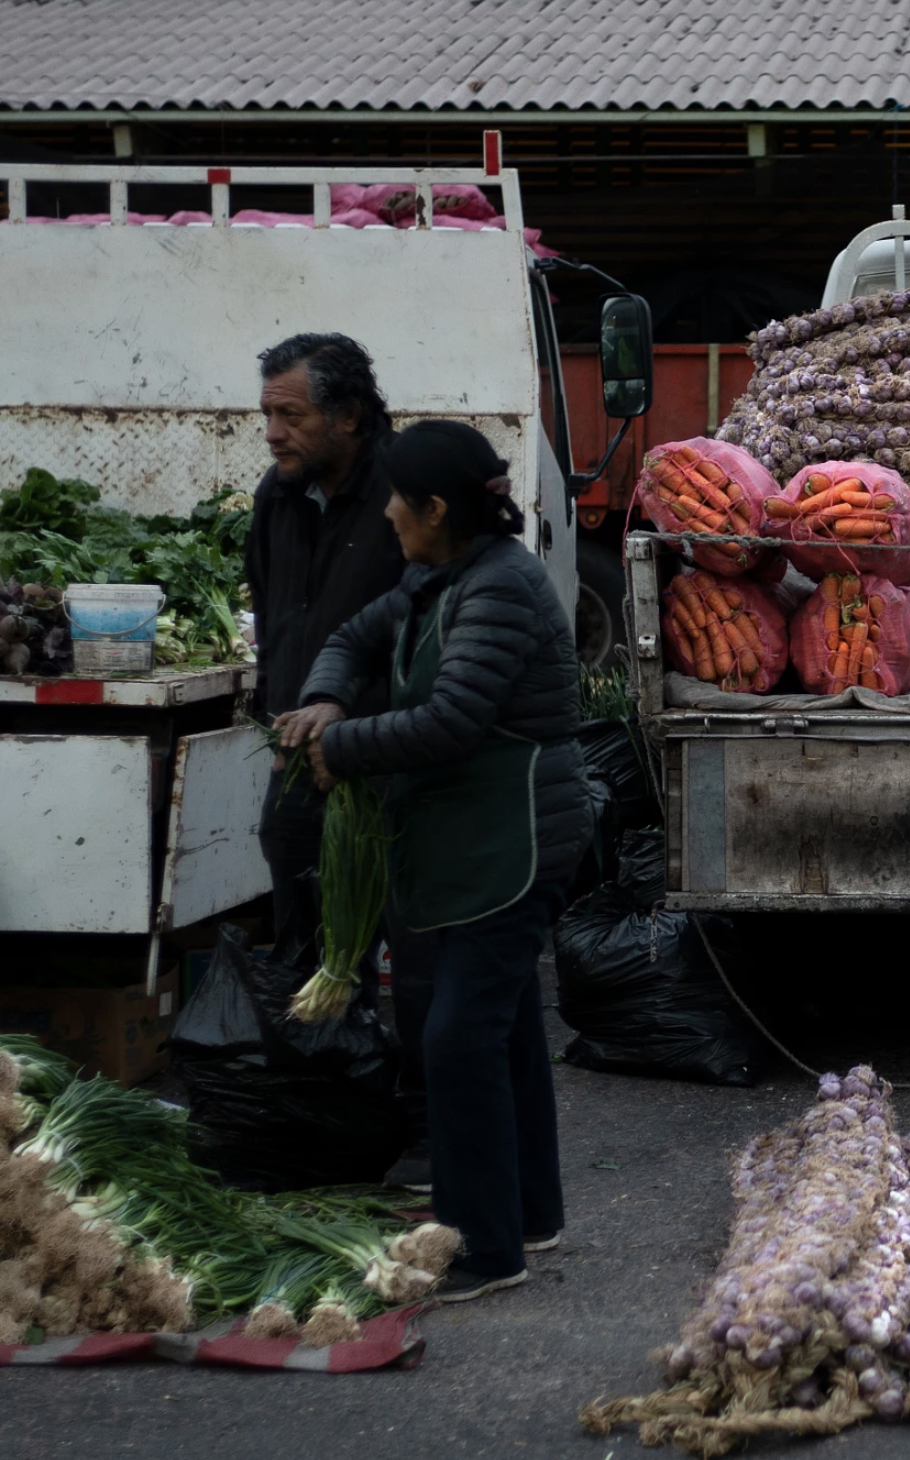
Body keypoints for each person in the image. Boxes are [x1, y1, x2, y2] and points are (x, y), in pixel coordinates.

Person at [275, 420, 588, 1302]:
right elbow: (349, 638)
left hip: (519, 835)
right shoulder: (434, 577)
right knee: (504, 1022)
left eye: (397, 501)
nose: (386, 514)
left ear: (437, 508)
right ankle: (528, 1214)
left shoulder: (501, 591)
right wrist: (325, 698)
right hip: (472, 838)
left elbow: (452, 721)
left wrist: (346, 747)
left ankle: (484, 1248)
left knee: (457, 1036)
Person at [246, 333, 438, 1191]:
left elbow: (414, 627)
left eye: (290, 416)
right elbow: (274, 608)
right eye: (268, 416)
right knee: (310, 940)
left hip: (386, 762)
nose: (273, 435)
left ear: (349, 415)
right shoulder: (278, 497)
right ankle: (327, 1115)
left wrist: (353, 729)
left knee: (412, 947)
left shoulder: (408, 497)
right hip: (300, 756)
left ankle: (427, 1129)